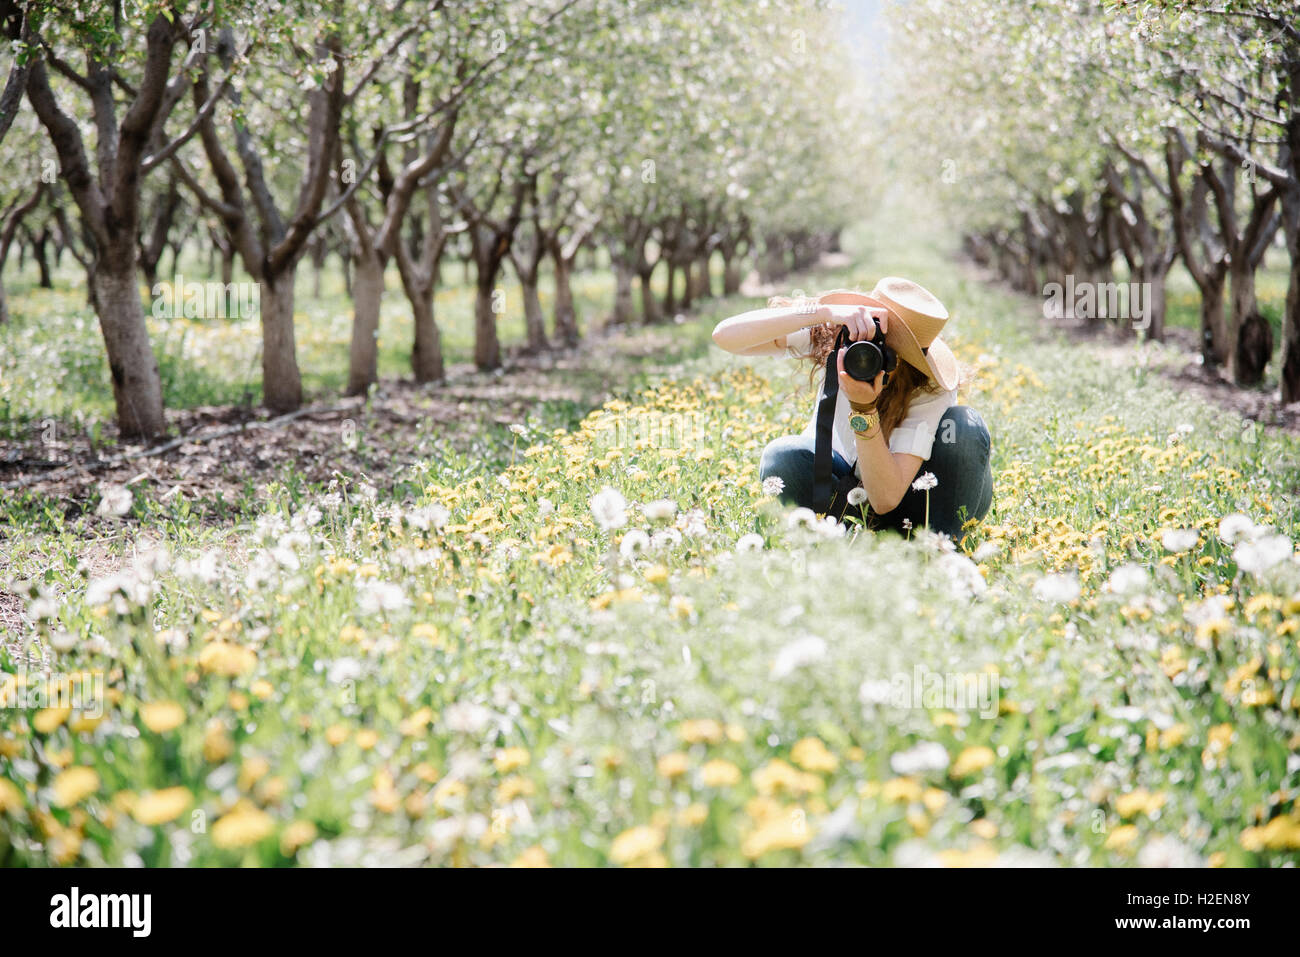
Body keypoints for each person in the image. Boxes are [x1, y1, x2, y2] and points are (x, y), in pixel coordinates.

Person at [711, 276, 992, 542]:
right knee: (782, 455)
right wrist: (824, 314)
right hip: (842, 491)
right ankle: (833, 543)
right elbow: (725, 336)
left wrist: (864, 409)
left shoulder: (929, 386)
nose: (869, 355)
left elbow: (885, 499)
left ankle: (942, 548)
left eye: (890, 351)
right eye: (869, 340)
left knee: (964, 425)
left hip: (918, 501)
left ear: (909, 361)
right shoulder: (841, 338)